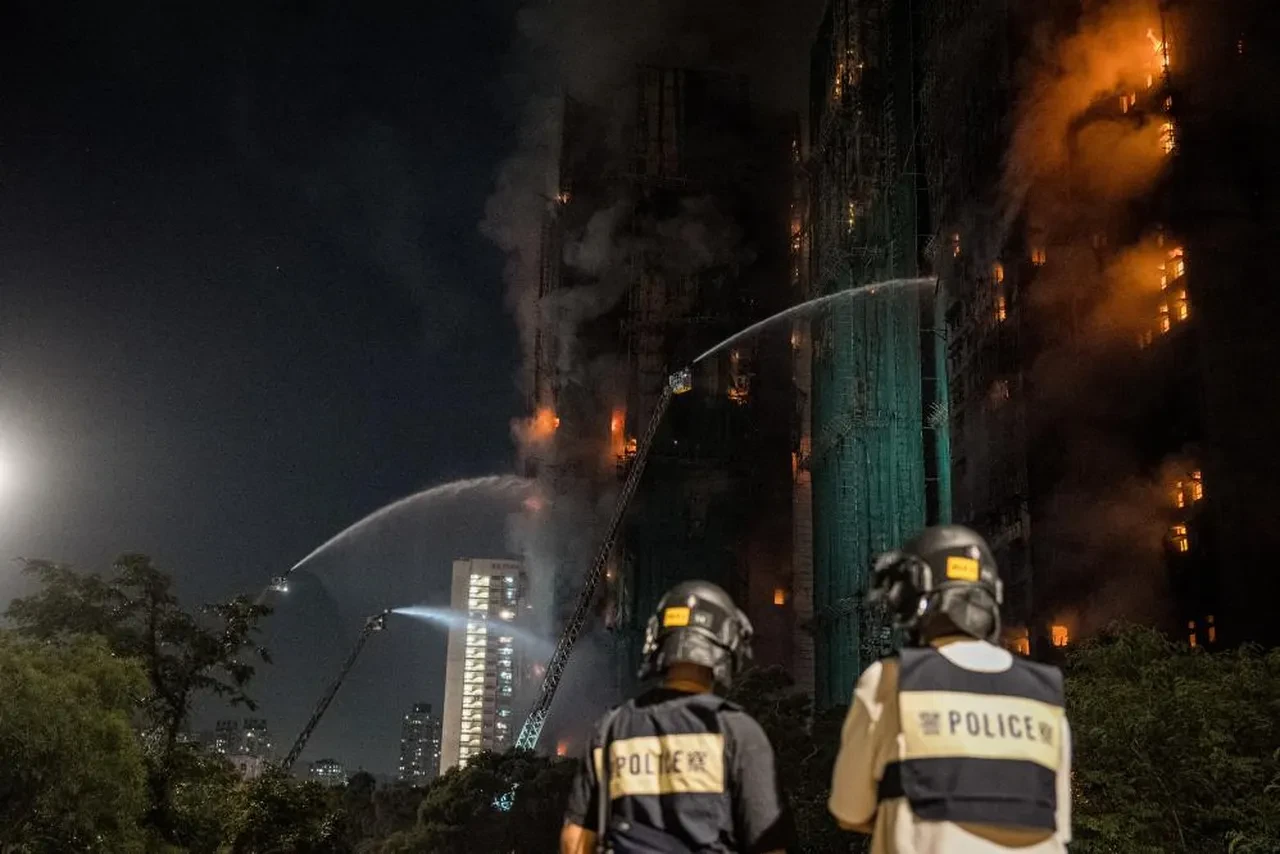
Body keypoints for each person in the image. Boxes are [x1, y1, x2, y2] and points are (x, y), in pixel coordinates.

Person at [828, 525, 1072, 854]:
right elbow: (1057, 825)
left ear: (913, 597)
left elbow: (849, 810)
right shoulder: (1044, 695)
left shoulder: (890, 682)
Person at [561, 580, 792, 854]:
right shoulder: (741, 733)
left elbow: (574, 841)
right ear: (727, 645)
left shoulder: (612, 729)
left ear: (655, 640)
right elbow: (769, 845)